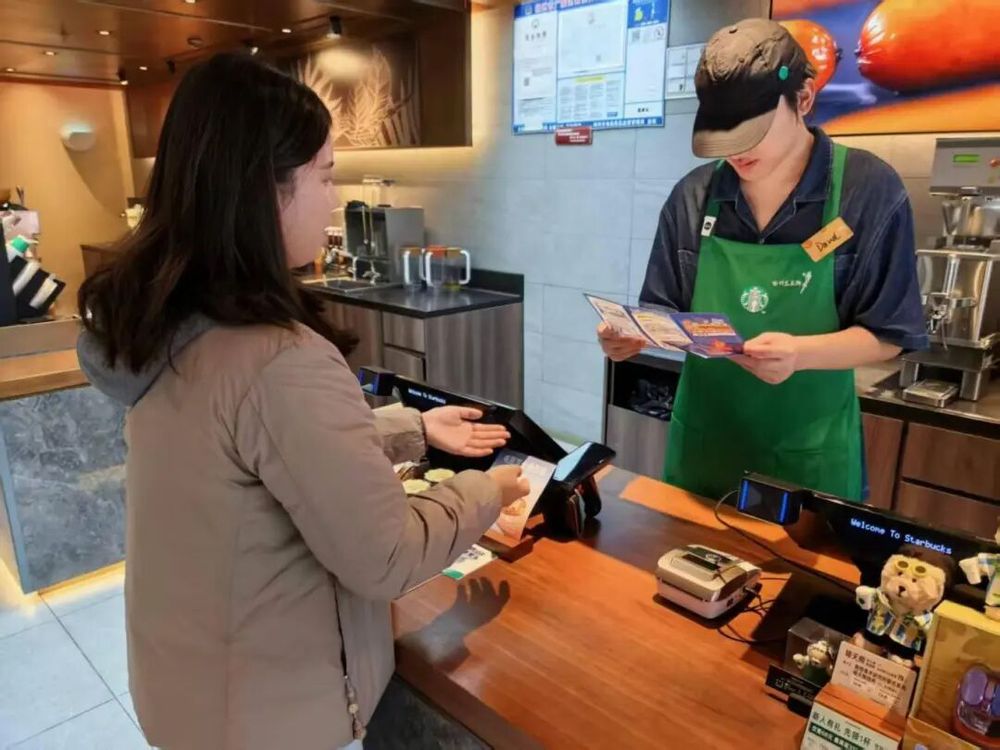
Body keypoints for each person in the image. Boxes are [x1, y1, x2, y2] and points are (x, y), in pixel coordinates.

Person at [77, 53, 530, 750]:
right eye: (324, 175)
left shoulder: (174, 326)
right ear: (263, 189)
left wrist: (411, 427)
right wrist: (485, 492)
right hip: (268, 716)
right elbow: (386, 555)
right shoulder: (275, 358)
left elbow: (265, 450)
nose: (333, 198)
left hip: (191, 685)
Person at [599, 19, 927, 503]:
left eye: (751, 129)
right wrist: (634, 335)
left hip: (810, 459)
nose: (736, 149)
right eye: (721, 131)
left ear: (804, 99)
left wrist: (800, 354)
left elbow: (890, 335)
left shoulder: (867, 189)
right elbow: (664, 311)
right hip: (704, 454)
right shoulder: (693, 196)